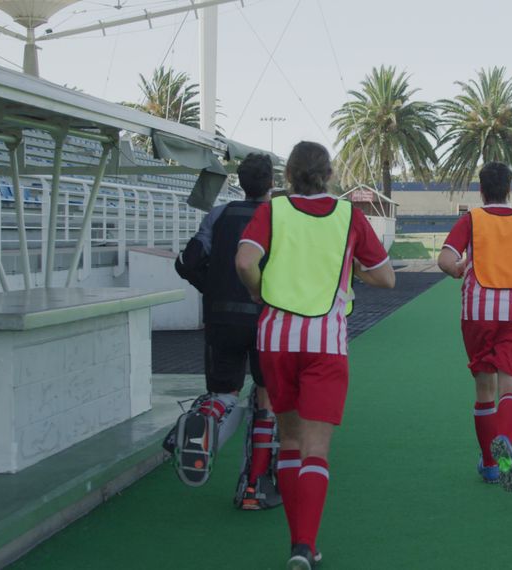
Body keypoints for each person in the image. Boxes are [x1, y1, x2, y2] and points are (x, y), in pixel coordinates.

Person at [236, 141, 395, 570]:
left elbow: (245, 260)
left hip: (276, 340)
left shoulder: (273, 211)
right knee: (316, 449)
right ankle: (305, 545)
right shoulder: (349, 217)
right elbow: (386, 278)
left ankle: (297, 541)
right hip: (325, 342)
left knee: (289, 440)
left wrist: (259, 290)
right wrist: (354, 269)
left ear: (287, 177)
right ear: (328, 175)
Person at [168, 153, 282, 509]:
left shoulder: (218, 215)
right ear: (272, 184)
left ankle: (207, 417)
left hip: (221, 318)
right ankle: (253, 489)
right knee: (266, 398)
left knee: (223, 390)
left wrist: (213, 288)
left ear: (240, 181)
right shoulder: (280, 219)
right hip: (266, 319)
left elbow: (188, 262)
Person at [437, 161, 512, 492]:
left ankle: (491, 465)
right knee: (510, 389)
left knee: (484, 391)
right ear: (510, 189)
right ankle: (506, 439)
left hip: (478, 312)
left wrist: (458, 269)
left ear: (481, 190)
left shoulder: (471, 219)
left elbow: (446, 259)